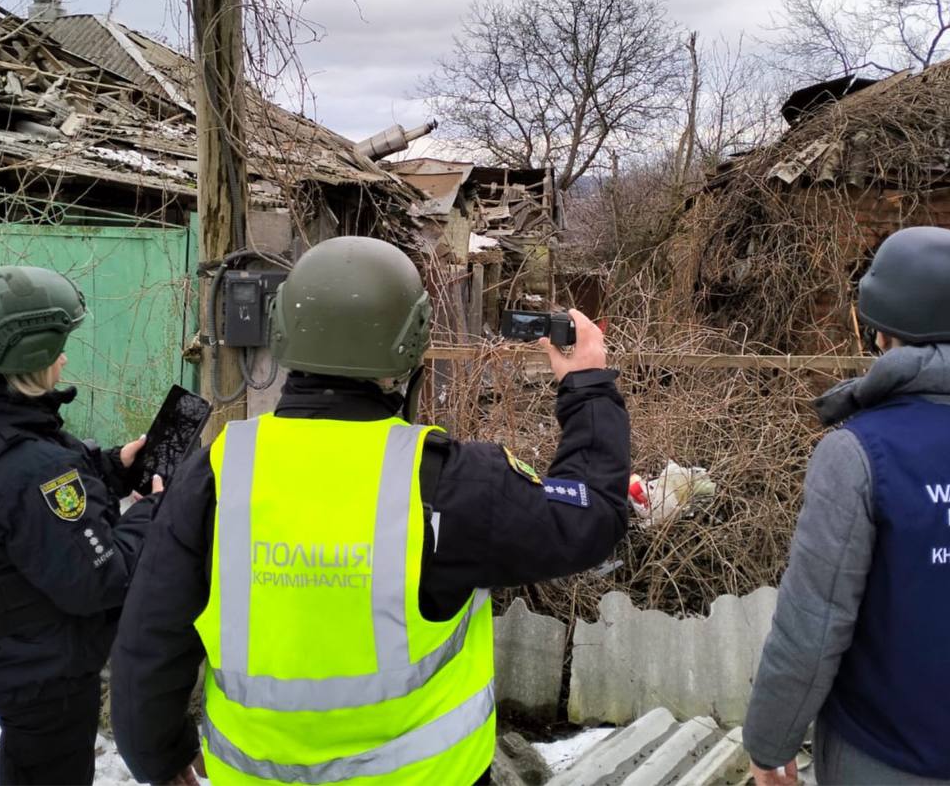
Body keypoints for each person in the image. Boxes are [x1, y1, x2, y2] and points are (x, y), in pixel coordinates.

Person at [110, 235, 632, 785]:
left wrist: (161, 761)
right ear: (409, 342)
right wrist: (587, 384)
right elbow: (593, 514)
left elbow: (149, 641)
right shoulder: (451, 481)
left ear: (284, 326)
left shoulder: (216, 474)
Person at [743, 226, 950, 786]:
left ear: (882, 332)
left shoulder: (858, 452)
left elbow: (814, 624)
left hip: (880, 752)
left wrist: (768, 742)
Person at [0, 265, 162, 785]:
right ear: (24, 358)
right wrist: (153, 513)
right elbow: (102, 580)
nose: (64, 357)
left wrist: (114, 466)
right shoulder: (34, 469)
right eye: (56, 347)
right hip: (45, 673)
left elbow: (12, 506)